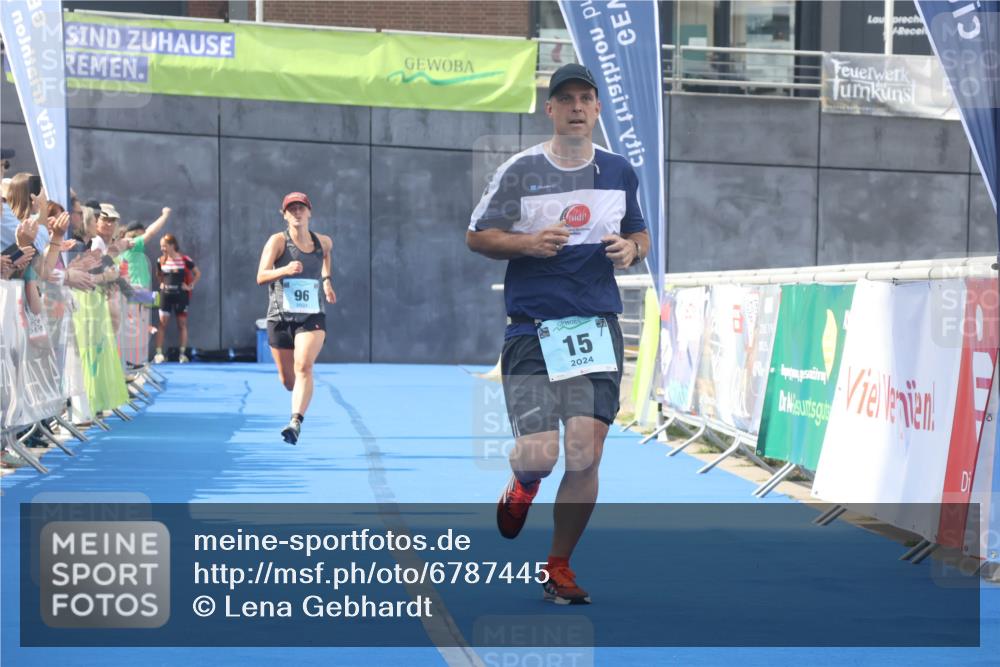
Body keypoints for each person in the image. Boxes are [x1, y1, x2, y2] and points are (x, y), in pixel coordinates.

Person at [466, 64, 649, 605]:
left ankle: (558, 567)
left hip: (595, 327)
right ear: (549, 109)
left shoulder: (619, 171)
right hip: (532, 329)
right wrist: (525, 245)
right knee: (541, 453)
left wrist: (633, 249)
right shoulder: (520, 170)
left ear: (596, 109)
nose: (575, 107)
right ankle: (523, 485)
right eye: (564, 98)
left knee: (586, 453)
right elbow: (477, 237)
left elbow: (639, 231)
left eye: (584, 99)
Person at [256, 192, 336, 445]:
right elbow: (260, 276)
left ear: (310, 212)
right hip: (279, 317)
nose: (297, 213)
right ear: (285, 215)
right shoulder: (278, 242)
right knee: (289, 381)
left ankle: (295, 421)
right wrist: (285, 269)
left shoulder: (323, 242)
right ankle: (296, 400)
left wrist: (326, 281)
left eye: (301, 208)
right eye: (292, 209)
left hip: (311, 315)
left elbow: (326, 257)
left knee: (304, 366)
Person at [154, 233, 200, 363]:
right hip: (165, 296)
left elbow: (197, 273)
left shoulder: (185, 259)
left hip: (181, 295)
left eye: (165, 246)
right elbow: (158, 274)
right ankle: (158, 354)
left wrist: (190, 286)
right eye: (161, 246)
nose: (162, 248)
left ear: (172, 245)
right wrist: (161, 283)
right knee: (162, 323)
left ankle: (182, 354)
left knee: (182, 324)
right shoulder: (161, 260)